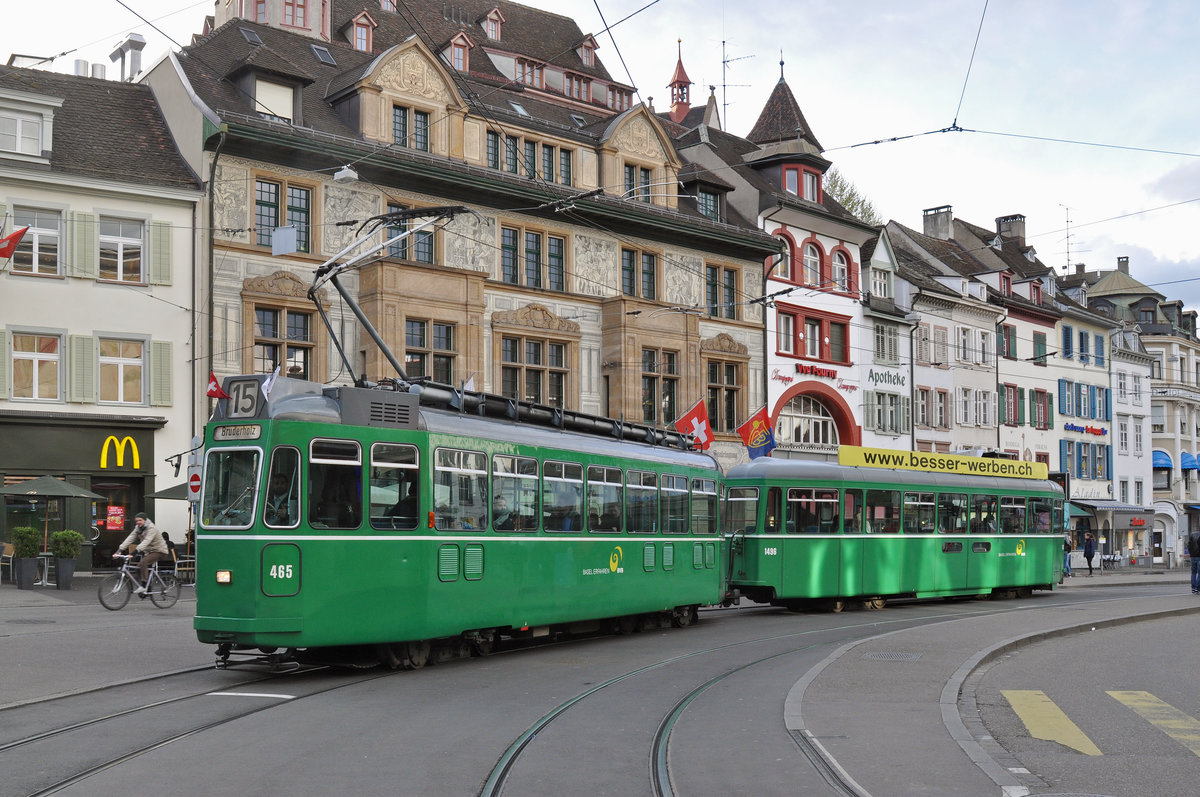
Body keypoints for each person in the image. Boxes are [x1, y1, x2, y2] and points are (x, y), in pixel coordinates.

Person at [114, 512, 169, 596]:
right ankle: (147, 588)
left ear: (145, 520)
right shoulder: (138, 528)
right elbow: (130, 538)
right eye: (136, 521)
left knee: (144, 562)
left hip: (159, 550)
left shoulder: (151, 528)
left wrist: (134, 552)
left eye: (140, 520)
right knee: (139, 568)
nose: (138, 522)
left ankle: (144, 585)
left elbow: (147, 541)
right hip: (149, 551)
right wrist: (120, 549)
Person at [1188, 527, 1200, 594]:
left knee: (1193, 572)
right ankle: (1197, 588)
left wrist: (1191, 553)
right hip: (1199, 556)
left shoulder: (1192, 534)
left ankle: (1193, 588)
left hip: (1193, 556)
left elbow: (1189, 545)